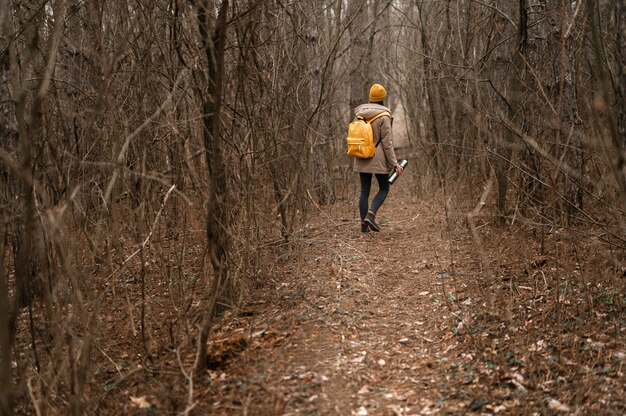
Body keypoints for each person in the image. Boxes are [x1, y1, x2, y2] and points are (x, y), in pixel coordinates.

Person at [354, 83, 403, 233]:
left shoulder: (359, 113)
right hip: (378, 158)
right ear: (383, 98)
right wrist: (395, 164)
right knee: (384, 188)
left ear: (370, 97)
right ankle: (371, 214)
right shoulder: (384, 116)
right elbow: (387, 143)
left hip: (362, 155)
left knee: (364, 192)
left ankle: (364, 227)